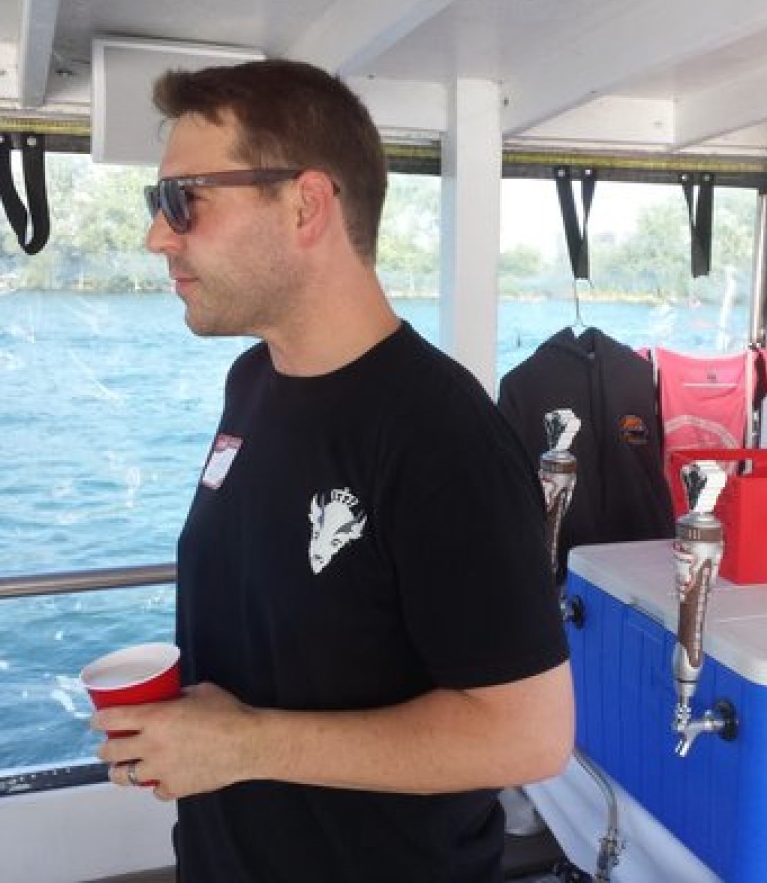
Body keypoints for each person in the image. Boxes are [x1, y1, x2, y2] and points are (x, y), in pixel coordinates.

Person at [91, 58, 574, 882]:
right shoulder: (251, 384)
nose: (158, 236)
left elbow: (526, 735)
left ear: (307, 204)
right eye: (157, 204)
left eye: (184, 201)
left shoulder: (442, 435)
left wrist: (244, 744)